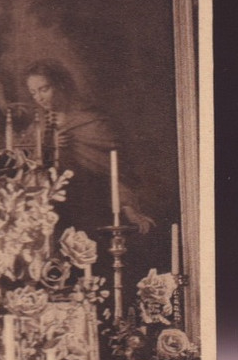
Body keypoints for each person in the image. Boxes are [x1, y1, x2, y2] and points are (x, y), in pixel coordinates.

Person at [23, 58, 155, 234]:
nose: (39, 98)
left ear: (61, 85)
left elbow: (117, 169)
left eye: (44, 89)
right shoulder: (37, 129)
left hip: (94, 209)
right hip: (53, 217)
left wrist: (129, 208)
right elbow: (28, 174)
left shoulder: (92, 122)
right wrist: (47, 148)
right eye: (33, 93)